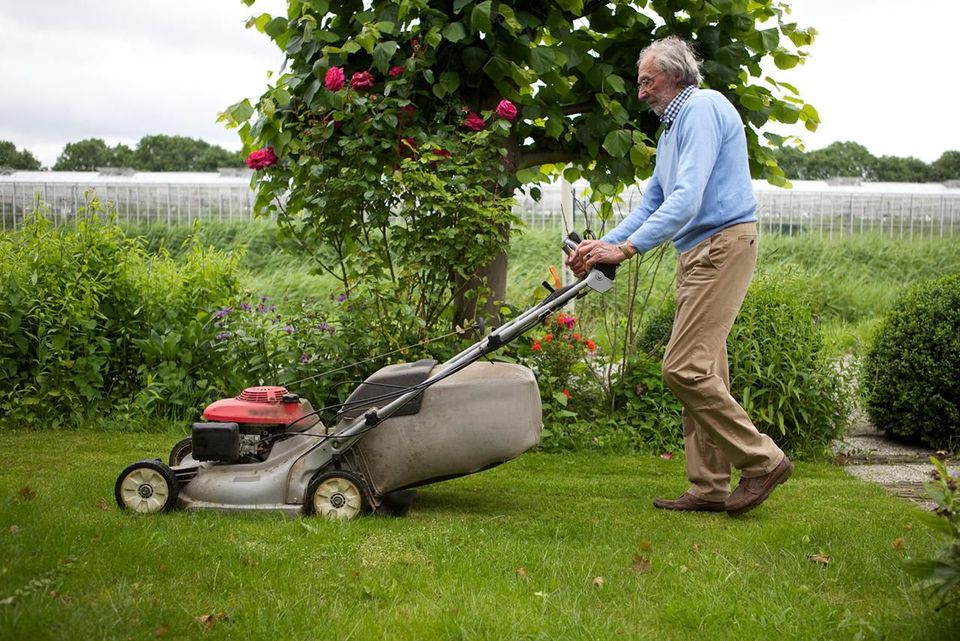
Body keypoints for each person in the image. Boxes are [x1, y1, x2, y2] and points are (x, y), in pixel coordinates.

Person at [566, 36, 792, 516]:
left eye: (647, 81)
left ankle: (763, 460)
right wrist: (601, 246)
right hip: (697, 251)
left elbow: (687, 198)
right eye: (640, 82)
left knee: (683, 369)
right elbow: (653, 202)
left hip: (721, 244)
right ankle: (710, 487)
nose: (641, 91)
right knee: (706, 372)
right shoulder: (672, 130)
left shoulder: (702, 109)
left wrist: (626, 249)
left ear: (674, 76)